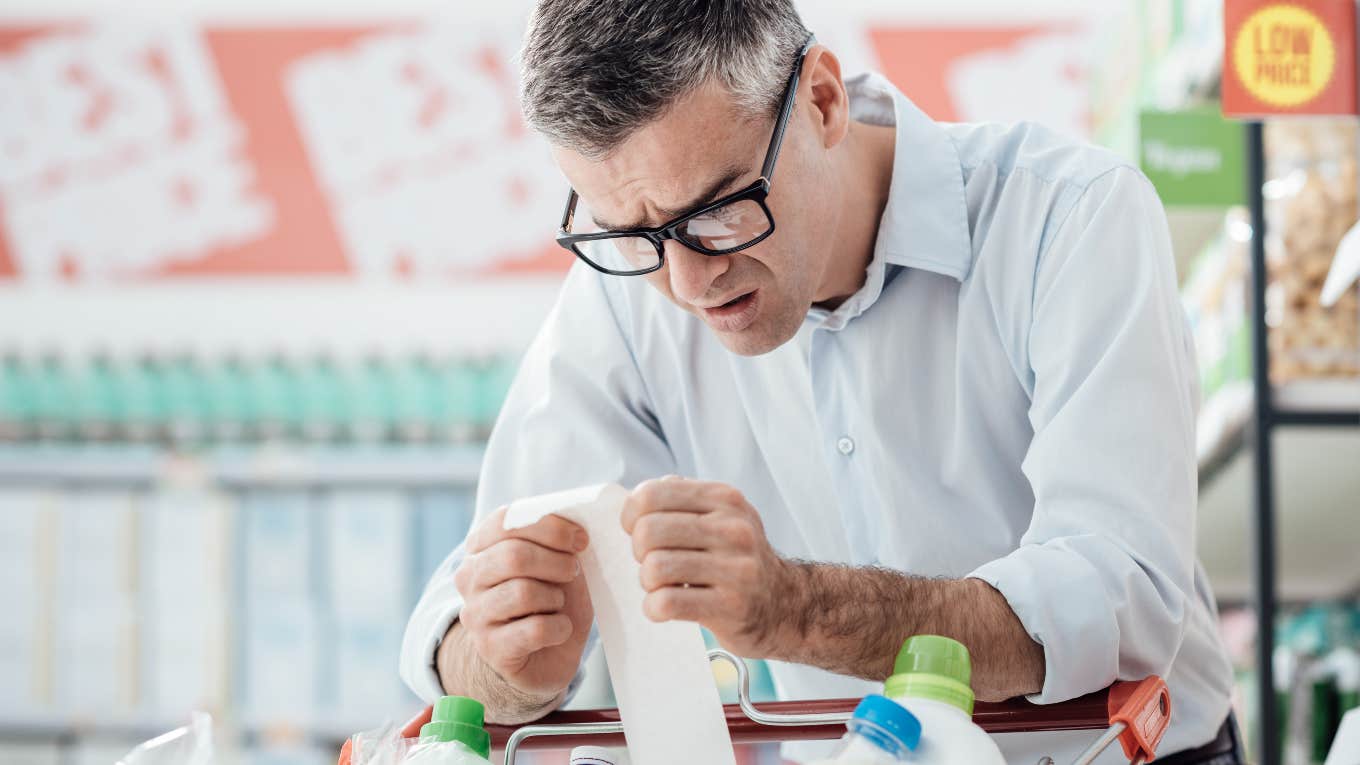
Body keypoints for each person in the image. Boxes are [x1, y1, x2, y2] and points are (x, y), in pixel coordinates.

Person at [400, 1, 1242, 762]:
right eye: (631, 234)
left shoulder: (1068, 217)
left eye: (720, 210)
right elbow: (457, 631)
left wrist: (793, 609)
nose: (689, 285)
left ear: (823, 101)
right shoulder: (622, 301)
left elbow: (1122, 602)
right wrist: (508, 663)